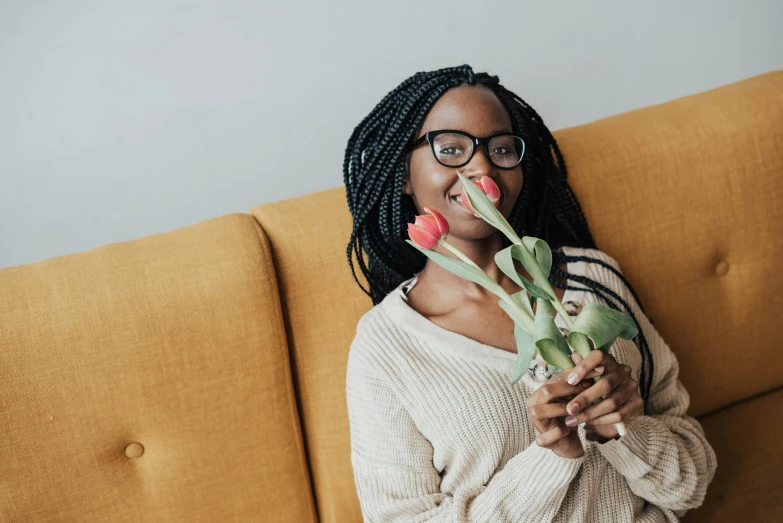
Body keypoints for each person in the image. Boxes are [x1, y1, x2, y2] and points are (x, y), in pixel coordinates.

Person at [343, 64, 716, 522]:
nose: (481, 167)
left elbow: (692, 484)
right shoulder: (385, 348)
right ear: (404, 174)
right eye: (451, 149)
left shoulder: (594, 280)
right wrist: (551, 455)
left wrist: (624, 430)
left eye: (500, 149)